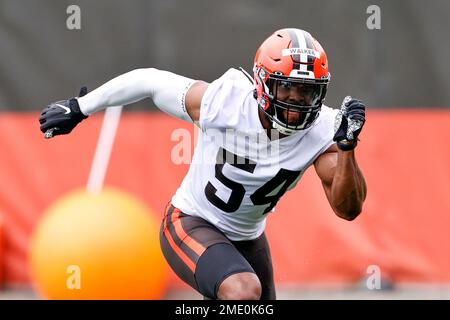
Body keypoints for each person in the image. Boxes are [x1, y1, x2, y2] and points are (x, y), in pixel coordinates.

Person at [39, 28, 367, 300]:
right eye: (289, 87)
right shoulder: (224, 104)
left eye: (308, 91)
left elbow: (348, 209)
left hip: (248, 238)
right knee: (243, 293)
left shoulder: (327, 130)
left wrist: (347, 147)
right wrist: (80, 107)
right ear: (263, 83)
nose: (297, 102)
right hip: (190, 221)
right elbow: (148, 80)